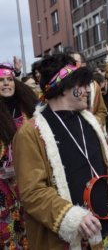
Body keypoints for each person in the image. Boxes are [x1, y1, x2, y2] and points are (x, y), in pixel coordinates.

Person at [13, 53, 108, 250]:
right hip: (66, 241)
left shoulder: (90, 121)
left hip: (105, 233)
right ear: (63, 87)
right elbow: (33, 192)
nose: (89, 90)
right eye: (83, 85)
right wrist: (73, 218)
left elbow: (101, 172)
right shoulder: (31, 132)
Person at [0, 63, 36, 249]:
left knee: (30, 226)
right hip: (2, 185)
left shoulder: (29, 109)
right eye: (1, 80)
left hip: (29, 179)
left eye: (9, 79)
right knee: (6, 230)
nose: (6, 84)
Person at [69, 51, 107, 126]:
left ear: (83, 65)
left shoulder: (94, 85)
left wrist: (92, 123)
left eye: (75, 62)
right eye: (69, 63)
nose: (71, 65)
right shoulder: (62, 85)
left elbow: (102, 111)